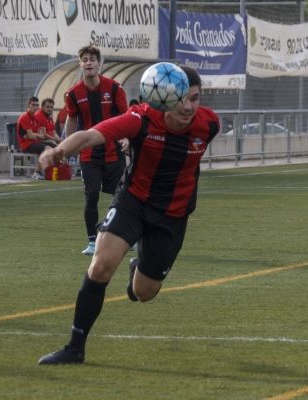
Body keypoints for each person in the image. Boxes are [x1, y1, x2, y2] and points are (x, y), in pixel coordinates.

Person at [37, 66, 220, 365]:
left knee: (144, 292)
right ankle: (75, 348)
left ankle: (139, 267)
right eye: (181, 99)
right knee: (101, 265)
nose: (188, 107)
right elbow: (90, 135)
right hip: (133, 201)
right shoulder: (141, 119)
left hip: (172, 214)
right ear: (164, 97)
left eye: (195, 98)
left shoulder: (209, 124)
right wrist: (59, 151)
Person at [62, 45, 129, 256]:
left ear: (99, 64)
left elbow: (125, 118)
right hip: (89, 153)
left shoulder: (115, 88)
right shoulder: (73, 94)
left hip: (113, 150)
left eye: (92, 59)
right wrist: (66, 148)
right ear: (80, 64)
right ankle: (93, 241)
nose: (88, 62)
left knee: (121, 196)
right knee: (91, 195)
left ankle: (127, 237)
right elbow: (71, 119)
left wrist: (127, 138)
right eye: (85, 59)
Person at [17, 96, 57, 180]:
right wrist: (33, 135)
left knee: (55, 147)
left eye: (37, 105)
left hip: (34, 142)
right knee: (47, 148)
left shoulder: (35, 118)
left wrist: (33, 134)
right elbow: (31, 136)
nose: (35, 107)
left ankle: (53, 170)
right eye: (33, 105)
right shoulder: (25, 117)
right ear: (28, 106)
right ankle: (37, 172)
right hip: (26, 145)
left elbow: (41, 135)